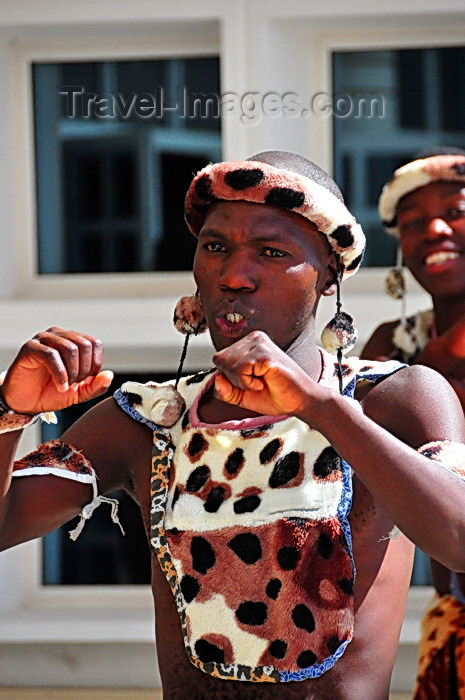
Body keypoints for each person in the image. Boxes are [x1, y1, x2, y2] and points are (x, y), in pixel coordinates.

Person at [1, 151, 465, 700]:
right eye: (215, 246)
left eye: (272, 252)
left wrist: (319, 407)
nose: (233, 275)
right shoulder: (146, 420)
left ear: (328, 275)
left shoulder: (393, 398)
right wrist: (11, 416)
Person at [362, 147, 465, 699]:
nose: (436, 230)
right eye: (412, 223)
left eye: (458, 208)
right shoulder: (392, 348)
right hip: (451, 615)